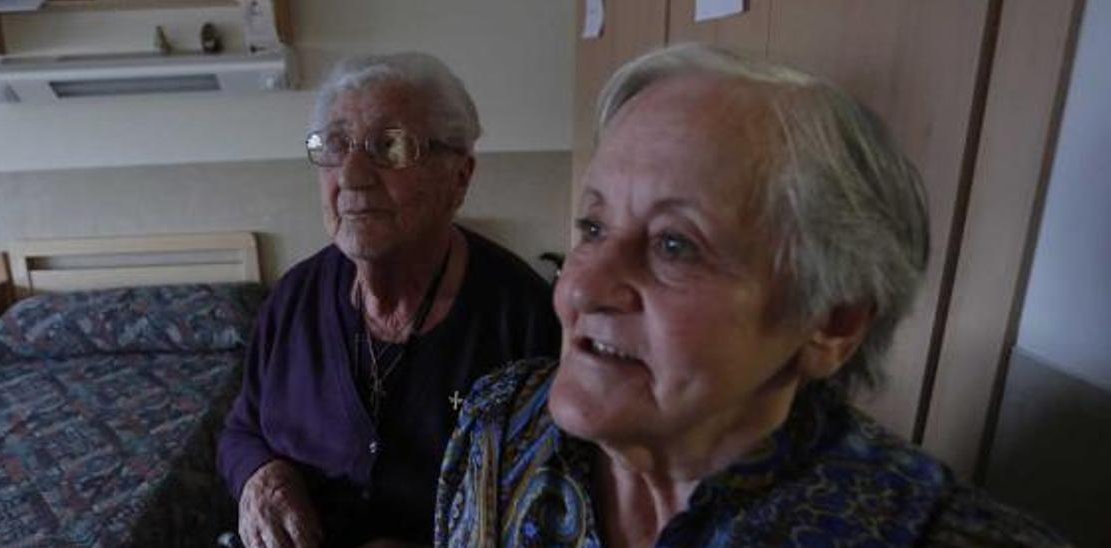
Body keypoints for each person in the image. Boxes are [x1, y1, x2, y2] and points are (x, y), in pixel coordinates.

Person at [434, 44, 1069, 547]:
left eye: (674, 245)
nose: (580, 287)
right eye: (593, 228)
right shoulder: (501, 419)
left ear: (833, 322)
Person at [217, 52, 560, 548]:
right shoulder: (293, 300)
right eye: (335, 146)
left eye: (390, 147)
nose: (352, 175)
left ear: (459, 177)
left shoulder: (523, 318)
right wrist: (260, 475)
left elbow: (552, 502)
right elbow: (241, 430)